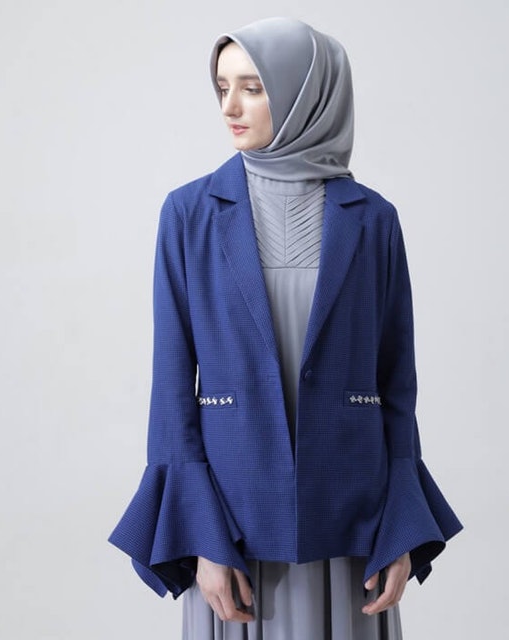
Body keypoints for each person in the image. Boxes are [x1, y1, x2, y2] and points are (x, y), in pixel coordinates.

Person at [109, 17, 462, 639]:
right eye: (222, 88)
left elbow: (396, 388)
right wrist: (201, 538)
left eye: (253, 87)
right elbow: (172, 393)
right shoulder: (189, 214)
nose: (230, 107)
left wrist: (400, 528)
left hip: (351, 519)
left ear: (307, 94)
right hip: (232, 525)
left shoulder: (373, 220)